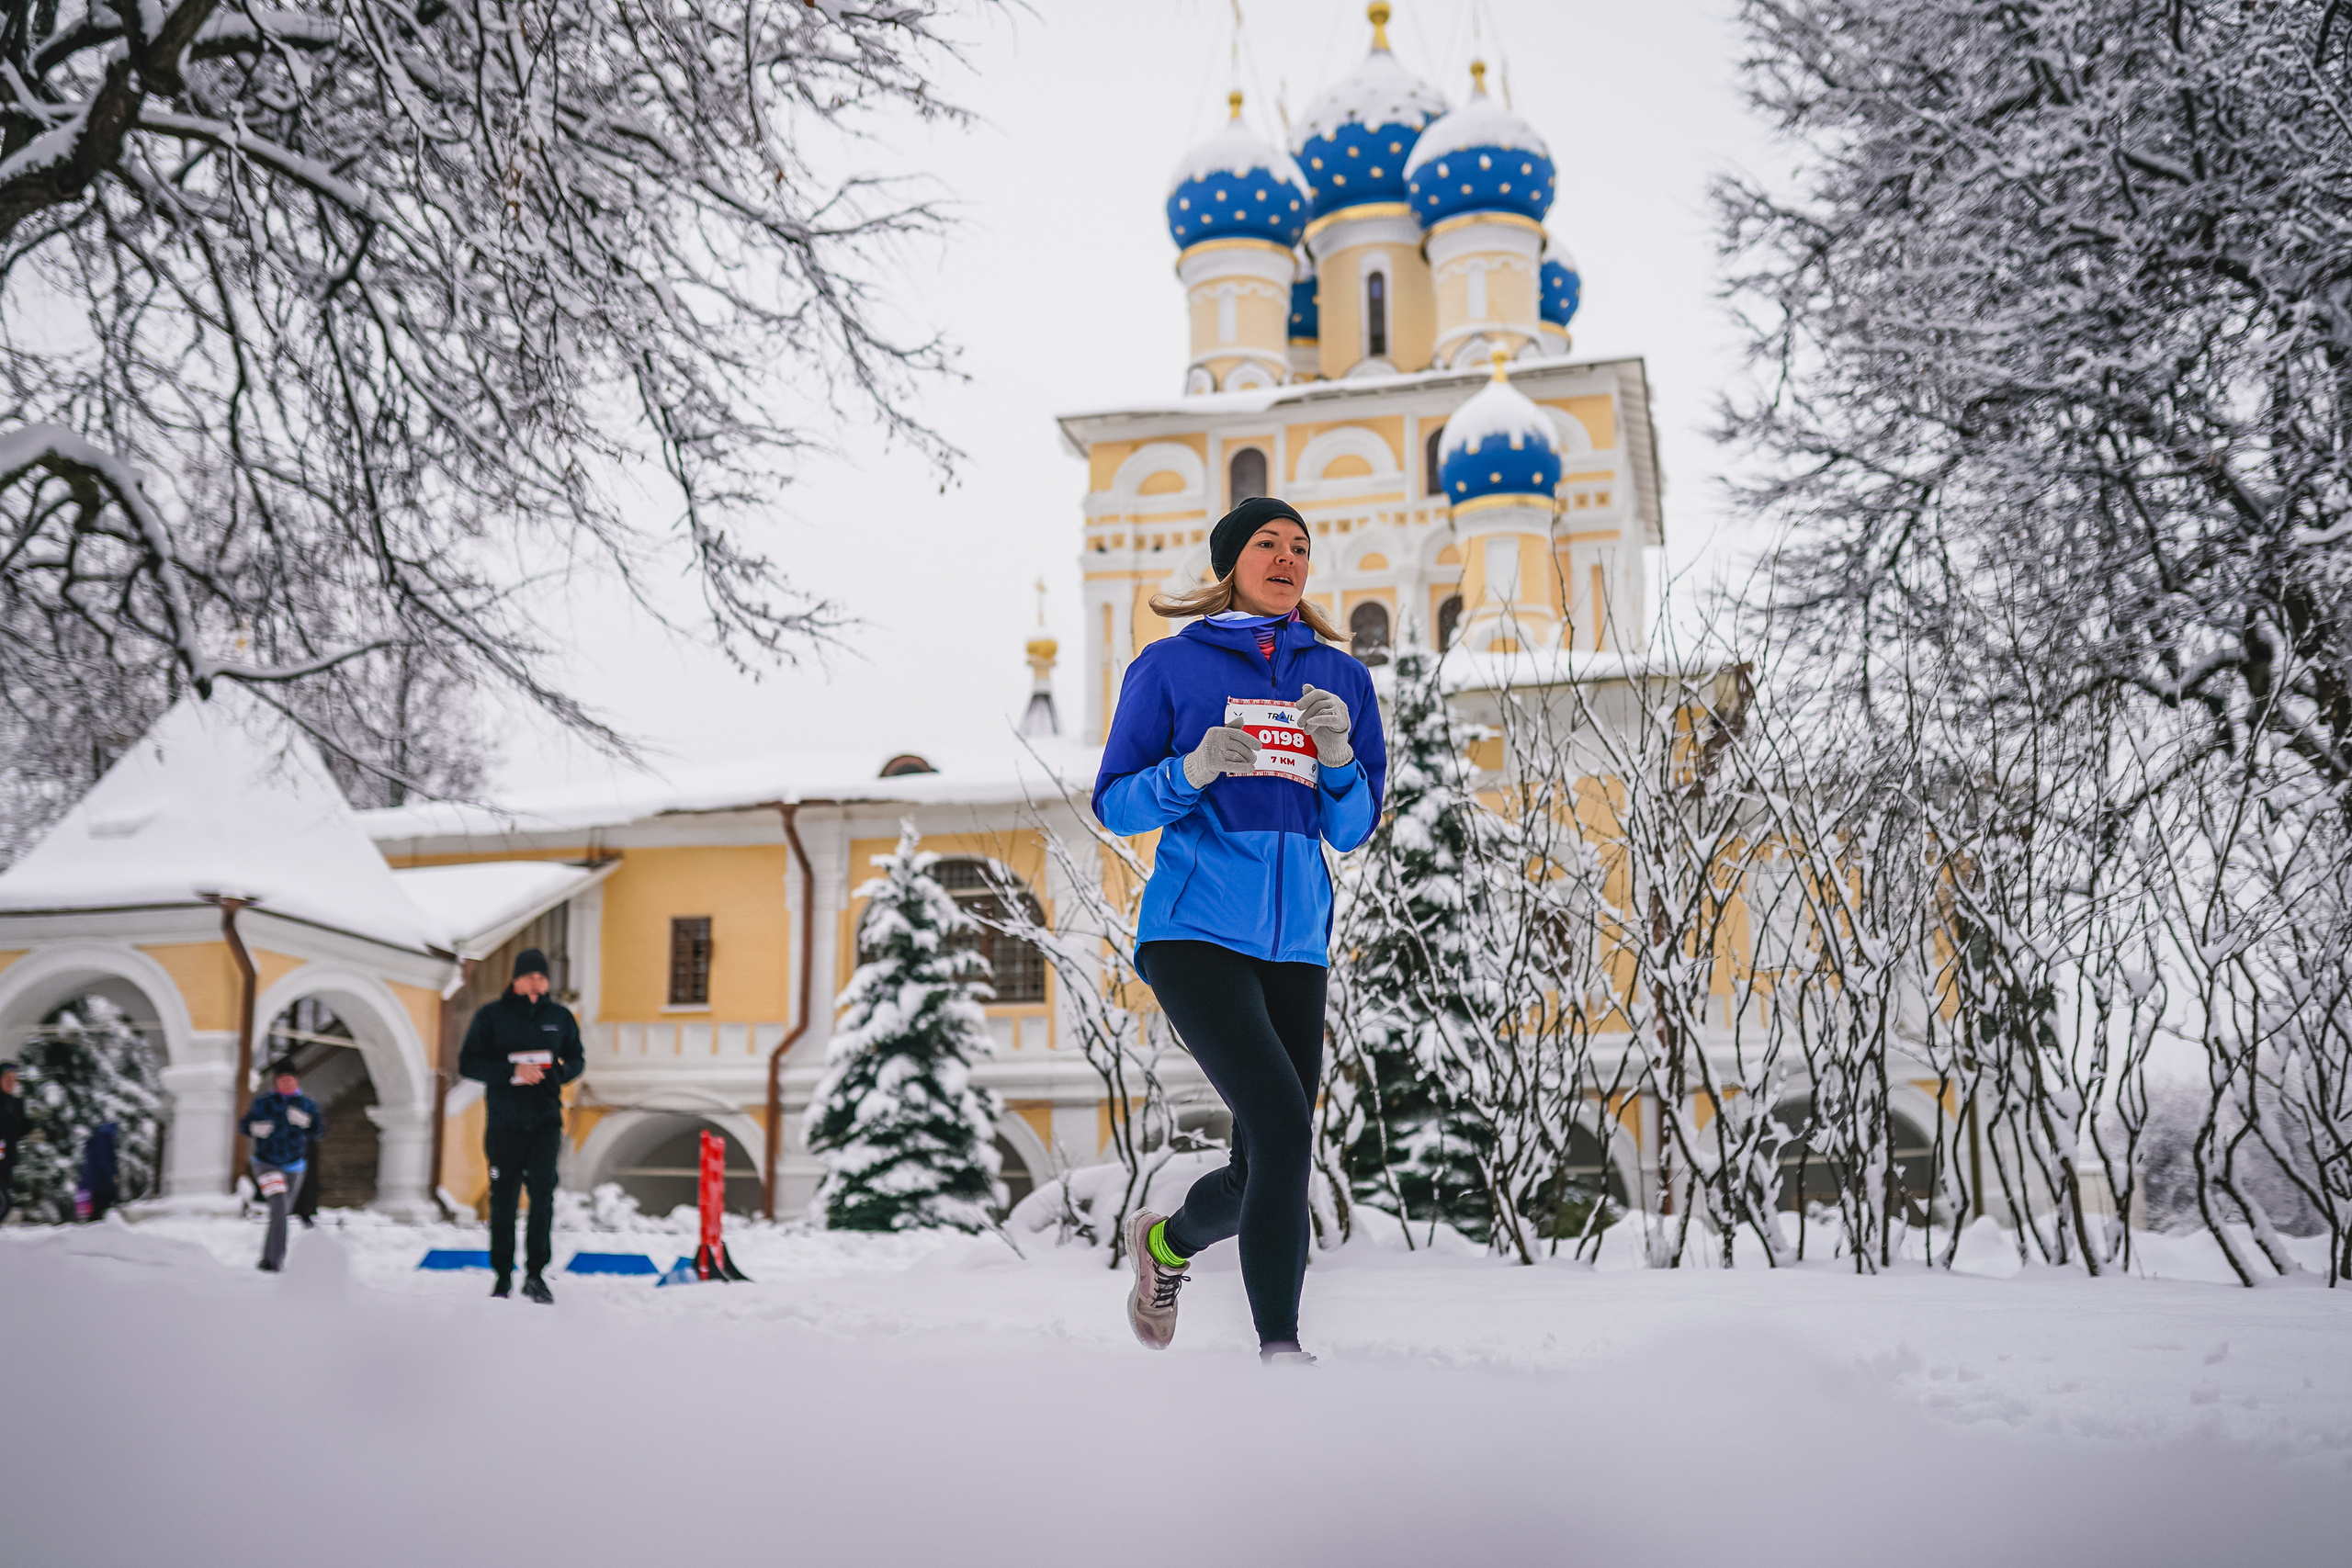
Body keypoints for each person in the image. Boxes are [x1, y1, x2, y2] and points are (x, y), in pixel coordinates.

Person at [1091, 495, 1386, 1365]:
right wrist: (1193, 767)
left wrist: (1337, 758)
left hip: (1297, 945)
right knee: (1286, 1124)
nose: (1289, 557)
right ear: (1231, 563)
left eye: (1301, 545)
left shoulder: (1344, 680)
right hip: (1194, 934)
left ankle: (1168, 1245)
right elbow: (1115, 799)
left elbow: (1353, 825)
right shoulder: (1172, 667)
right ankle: (1281, 1351)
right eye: (1269, 543)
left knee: (1270, 1160)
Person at [458, 948, 584, 1303]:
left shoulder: (559, 1017)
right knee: (504, 1200)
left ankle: (536, 1274)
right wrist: (510, 1072)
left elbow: (577, 1058)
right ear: (515, 978)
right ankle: (502, 1275)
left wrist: (559, 1072)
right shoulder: (491, 1016)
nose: (537, 983)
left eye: (542, 978)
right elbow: (468, 1063)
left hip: (546, 1120)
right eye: (530, 976)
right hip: (504, 1122)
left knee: (543, 1196)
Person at [242, 1060, 322, 1271]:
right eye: (282, 1079)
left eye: (290, 1079)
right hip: (267, 1163)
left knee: (282, 1213)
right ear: (276, 1080)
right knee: (278, 1209)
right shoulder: (264, 1103)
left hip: (295, 1166)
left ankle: (271, 1257)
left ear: (296, 1080)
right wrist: (254, 1128)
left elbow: (318, 1130)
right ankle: (273, 1261)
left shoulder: (306, 1104)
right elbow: (244, 1125)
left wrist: (307, 1122)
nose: (286, 1082)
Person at [77, 1120, 119, 1223]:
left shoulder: (94, 1140)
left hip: (91, 1181)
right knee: (102, 1207)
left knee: (94, 1207)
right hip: (101, 1182)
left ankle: (92, 1225)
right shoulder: (104, 1141)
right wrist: (112, 1175)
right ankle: (98, 1229)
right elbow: (105, 1161)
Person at [0, 1061, 27, 1224]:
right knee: (4, 1199)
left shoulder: (14, 1102)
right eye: (7, 1078)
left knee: (6, 1199)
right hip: (1, 1155)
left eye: (14, 1079)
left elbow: (19, 1129)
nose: (11, 1082)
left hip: (7, 1158)